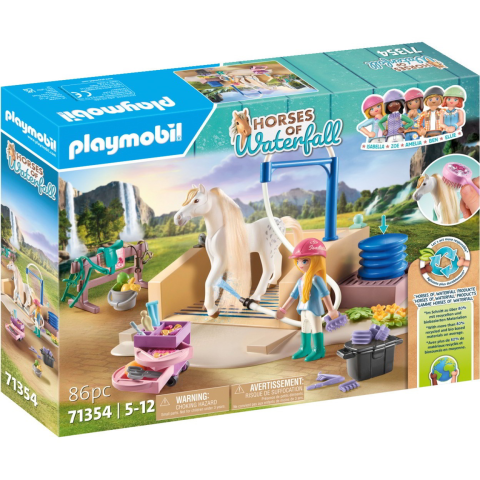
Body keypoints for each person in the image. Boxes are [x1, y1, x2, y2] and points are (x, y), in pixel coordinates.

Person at [276, 238, 340, 362]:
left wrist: (331, 310)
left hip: (314, 310)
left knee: (316, 329)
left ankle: (319, 350)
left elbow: (325, 295)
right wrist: (283, 309)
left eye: (304, 261)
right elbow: (293, 296)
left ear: (316, 261)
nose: (300, 264)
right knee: (305, 328)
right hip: (303, 309)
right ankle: (305, 347)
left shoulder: (316, 279)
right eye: (298, 261)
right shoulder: (301, 280)